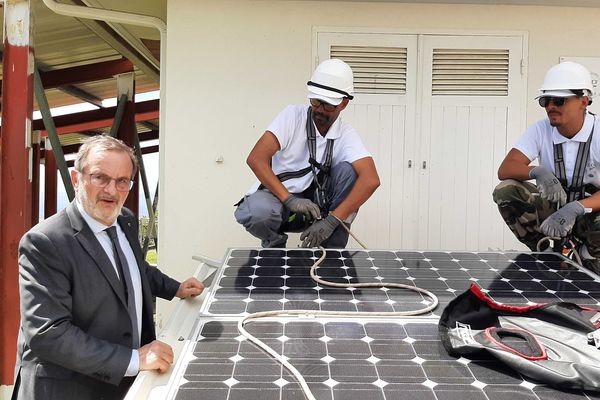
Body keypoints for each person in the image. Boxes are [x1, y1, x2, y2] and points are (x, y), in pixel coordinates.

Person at [12, 135, 205, 400]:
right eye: (100, 177)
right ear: (76, 178)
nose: (112, 191)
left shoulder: (124, 220)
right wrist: (133, 358)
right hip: (68, 390)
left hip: (121, 383)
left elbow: (135, 269)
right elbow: (48, 334)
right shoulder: (45, 242)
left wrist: (176, 288)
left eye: (122, 181)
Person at [234, 59, 380, 248]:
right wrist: (290, 199)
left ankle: (330, 250)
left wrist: (333, 220)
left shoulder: (345, 134)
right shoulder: (292, 116)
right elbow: (256, 158)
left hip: (318, 211)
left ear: (343, 104)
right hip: (280, 204)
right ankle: (275, 247)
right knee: (258, 212)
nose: (319, 110)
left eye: (328, 105)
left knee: (349, 172)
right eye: (316, 102)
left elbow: (371, 180)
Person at [493, 61, 600, 272]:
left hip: (591, 211)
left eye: (559, 100)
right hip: (553, 208)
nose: (551, 106)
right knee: (507, 190)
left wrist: (577, 207)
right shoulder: (540, 130)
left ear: (584, 101)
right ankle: (546, 249)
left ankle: (589, 255)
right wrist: (537, 171)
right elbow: (506, 169)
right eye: (545, 100)